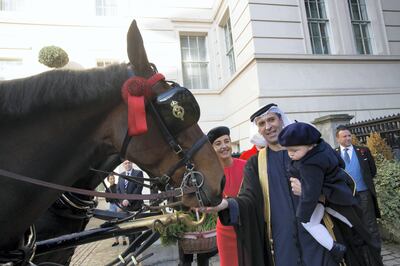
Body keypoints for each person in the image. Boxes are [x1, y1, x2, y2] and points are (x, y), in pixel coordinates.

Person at [199, 103, 382, 266]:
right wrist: (226, 204)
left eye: (271, 120)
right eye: (262, 124)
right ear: (258, 130)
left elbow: (343, 183)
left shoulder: (310, 150)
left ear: (281, 120)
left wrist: (314, 192)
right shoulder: (256, 164)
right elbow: (249, 200)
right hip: (281, 246)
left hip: (319, 241)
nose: (268, 126)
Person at [278, 122, 357, 263]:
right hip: (337, 190)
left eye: (294, 150)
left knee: (309, 223)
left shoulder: (309, 164)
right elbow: (341, 163)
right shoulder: (323, 147)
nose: (290, 154)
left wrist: (302, 215)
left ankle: (334, 248)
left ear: (310, 145)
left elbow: (310, 194)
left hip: (326, 195)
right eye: (288, 150)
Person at [335, 125, 381, 250]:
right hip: (347, 196)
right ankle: (360, 252)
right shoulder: (334, 154)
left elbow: (372, 171)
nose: (348, 138)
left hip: (364, 193)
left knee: (370, 223)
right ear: (338, 139)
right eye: (344, 136)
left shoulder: (363, 151)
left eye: (349, 135)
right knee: (353, 224)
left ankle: (376, 251)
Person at [207, 126, 246, 266]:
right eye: (218, 143)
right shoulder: (209, 174)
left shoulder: (247, 166)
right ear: (211, 148)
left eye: (227, 141)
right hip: (225, 229)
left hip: (248, 226)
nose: (224, 146)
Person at [117, 160, 144, 245]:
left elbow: (139, 188)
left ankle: (138, 247)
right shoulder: (121, 175)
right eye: (125, 163)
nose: (127, 164)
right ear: (123, 165)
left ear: (132, 164)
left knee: (137, 227)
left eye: (129, 163)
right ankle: (132, 247)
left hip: (136, 205)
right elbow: (118, 189)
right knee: (129, 228)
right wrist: (122, 201)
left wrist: (129, 200)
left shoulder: (138, 173)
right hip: (125, 207)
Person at [105, 174, 121, 247]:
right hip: (111, 206)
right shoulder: (107, 190)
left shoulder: (118, 186)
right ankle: (116, 241)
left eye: (113, 178)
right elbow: (107, 200)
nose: (112, 180)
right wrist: (113, 197)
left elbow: (120, 196)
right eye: (111, 179)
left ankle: (124, 239)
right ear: (108, 180)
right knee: (114, 223)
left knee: (121, 221)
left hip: (119, 205)